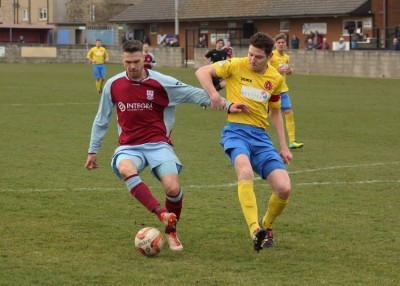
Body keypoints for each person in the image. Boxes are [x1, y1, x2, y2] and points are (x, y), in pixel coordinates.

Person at [85, 40, 243, 252]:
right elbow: (101, 119)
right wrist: (93, 150)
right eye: (128, 62)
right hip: (129, 147)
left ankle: (171, 232)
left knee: (173, 188)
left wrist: (228, 104)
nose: (132, 66)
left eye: (136, 61)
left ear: (144, 57)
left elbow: (194, 94)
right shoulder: (113, 85)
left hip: (159, 145)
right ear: (122, 59)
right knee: (125, 168)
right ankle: (162, 214)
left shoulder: (163, 83)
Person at [195, 32, 293, 252]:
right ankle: (254, 229)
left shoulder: (275, 79)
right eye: (250, 54)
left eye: (258, 57)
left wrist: (284, 146)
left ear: (269, 57)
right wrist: (215, 95)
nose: (252, 60)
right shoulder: (235, 65)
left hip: (261, 137)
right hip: (236, 132)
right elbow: (201, 71)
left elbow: (275, 113)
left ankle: (266, 227)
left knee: (284, 188)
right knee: (245, 172)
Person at [270, 33, 304, 149]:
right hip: (270, 90)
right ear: (275, 44)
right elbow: (265, 70)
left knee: (288, 112)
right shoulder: (271, 55)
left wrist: (289, 71)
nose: (281, 44)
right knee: (268, 115)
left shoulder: (286, 57)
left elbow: (284, 72)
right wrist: (277, 70)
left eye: (282, 42)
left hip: (283, 90)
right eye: (278, 42)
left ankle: (292, 141)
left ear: (285, 44)